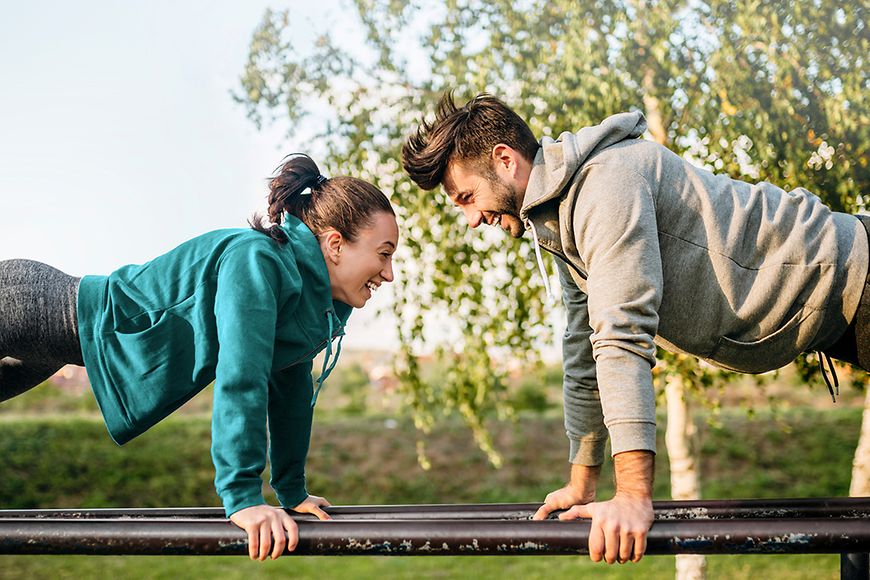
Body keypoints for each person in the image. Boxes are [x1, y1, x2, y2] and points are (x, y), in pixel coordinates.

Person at [402, 92, 870, 564]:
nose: (470, 219)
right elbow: (584, 351)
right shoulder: (562, 219)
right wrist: (582, 484)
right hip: (838, 311)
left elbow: (621, 335)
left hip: (856, 278)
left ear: (505, 161)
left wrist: (632, 495)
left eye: (466, 197)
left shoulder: (605, 185)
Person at [0, 154, 399, 561]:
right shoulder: (257, 260)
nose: (389, 274)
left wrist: (292, 491)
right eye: (384, 254)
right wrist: (243, 497)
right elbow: (242, 375)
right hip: (34, 307)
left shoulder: (307, 303)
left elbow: (291, 392)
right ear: (335, 245)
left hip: (53, 340)